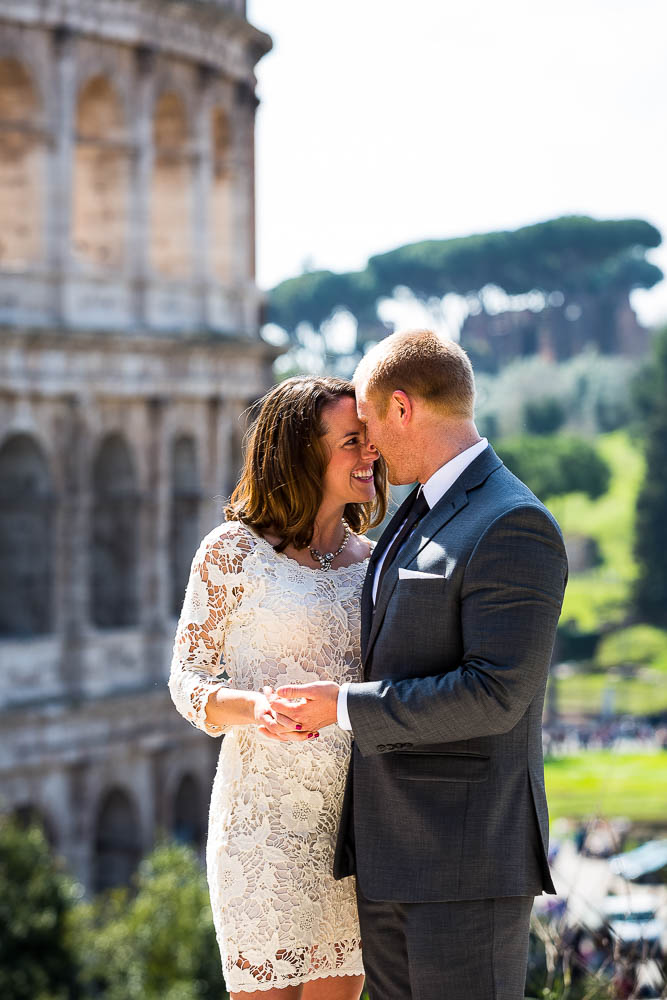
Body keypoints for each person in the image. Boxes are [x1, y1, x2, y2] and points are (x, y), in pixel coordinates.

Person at [268, 330, 568, 1000]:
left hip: (463, 867)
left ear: (402, 409)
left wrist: (342, 706)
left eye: (369, 423)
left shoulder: (512, 523)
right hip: (390, 861)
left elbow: (495, 693)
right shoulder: (419, 511)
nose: (365, 444)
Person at [168, 376, 387, 999]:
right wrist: (254, 709)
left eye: (368, 439)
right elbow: (187, 681)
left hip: (352, 835)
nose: (370, 453)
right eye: (351, 441)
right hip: (260, 833)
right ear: (301, 452)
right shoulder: (230, 553)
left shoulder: (377, 564)